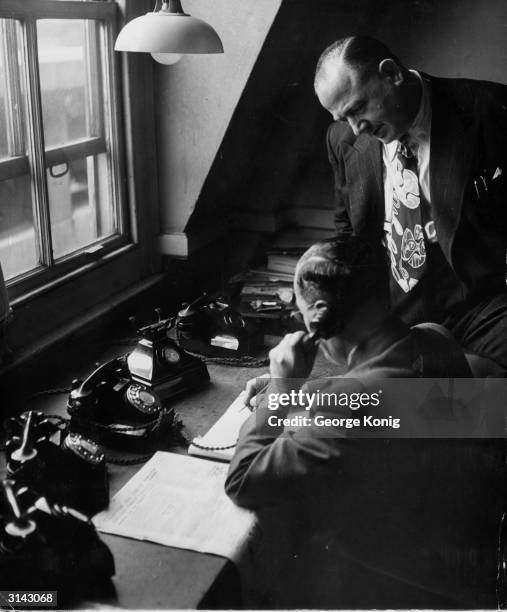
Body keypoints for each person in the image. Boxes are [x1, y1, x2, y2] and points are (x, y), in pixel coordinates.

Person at [224, 237, 503, 608]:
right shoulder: (433, 338)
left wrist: (282, 389)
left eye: (301, 311)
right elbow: (400, 405)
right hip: (473, 535)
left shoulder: (346, 406)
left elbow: (243, 479)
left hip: (424, 573)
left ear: (321, 316)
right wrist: (306, 391)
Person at [313, 36, 507, 375]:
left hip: (484, 305)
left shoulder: (488, 109)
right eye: (343, 118)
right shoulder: (343, 140)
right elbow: (348, 234)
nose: (357, 129)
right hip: (394, 313)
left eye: (358, 109)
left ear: (391, 74)